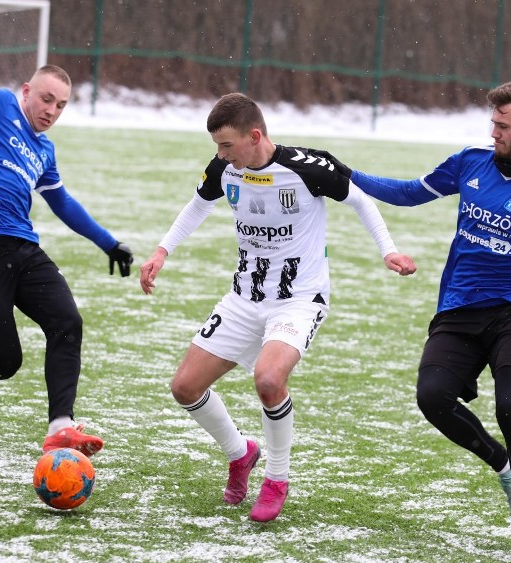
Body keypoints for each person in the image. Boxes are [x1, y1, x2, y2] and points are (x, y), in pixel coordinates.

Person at [327, 82, 511, 563]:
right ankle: (502, 465)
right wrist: (347, 175)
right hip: (459, 308)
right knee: (432, 398)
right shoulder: (471, 160)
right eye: (492, 122)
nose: (493, 132)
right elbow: (407, 194)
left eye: (502, 125)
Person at [139, 92, 416, 522]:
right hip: (243, 298)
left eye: (227, 146)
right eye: (217, 147)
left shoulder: (308, 168)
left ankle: (277, 478)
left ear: (255, 136)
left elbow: (362, 201)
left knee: (268, 379)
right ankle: (240, 453)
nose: (221, 156)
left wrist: (388, 251)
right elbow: (198, 204)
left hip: (299, 301)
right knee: (184, 388)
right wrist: (161, 251)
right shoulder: (225, 168)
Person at [0, 18, 133, 456]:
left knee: (67, 323)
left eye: (61, 105)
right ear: (27, 91)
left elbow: (62, 203)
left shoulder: (45, 151)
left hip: (22, 249)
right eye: (46, 99)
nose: (51, 110)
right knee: (4, 363)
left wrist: (108, 242)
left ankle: (60, 426)